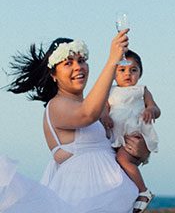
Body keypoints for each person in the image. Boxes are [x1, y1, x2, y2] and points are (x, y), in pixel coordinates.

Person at [1, 30, 151, 213]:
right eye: (68, 63)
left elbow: (116, 150)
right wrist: (113, 61)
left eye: (81, 61)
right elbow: (87, 114)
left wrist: (141, 152)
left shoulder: (97, 110)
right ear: (53, 75)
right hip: (81, 202)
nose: (78, 67)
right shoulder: (56, 106)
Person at [101, 50, 160, 213]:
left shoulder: (142, 90)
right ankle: (130, 195)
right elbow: (104, 109)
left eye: (133, 70)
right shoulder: (109, 91)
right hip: (117, 135)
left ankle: (143, 191)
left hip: (135, 134)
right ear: (113, 74)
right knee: (117, 165)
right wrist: (105, 116)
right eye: (122, 70)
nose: (128, 74)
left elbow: (155, 108)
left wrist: (151, 111)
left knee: (123, 159)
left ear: (140, 73)